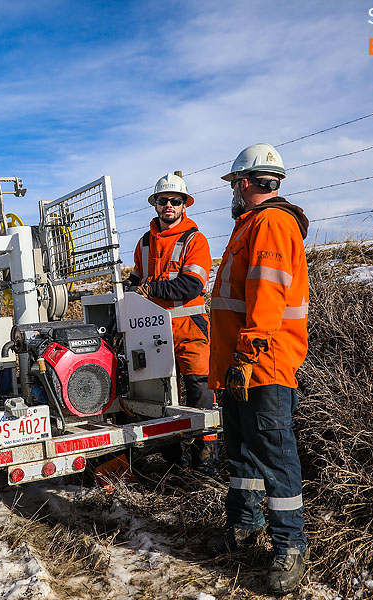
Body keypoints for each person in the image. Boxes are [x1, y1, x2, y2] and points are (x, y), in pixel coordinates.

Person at [207, 143, 310, 593]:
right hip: (243, 364)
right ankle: (245, 527)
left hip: (262, 364)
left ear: (245, 182)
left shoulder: (270, 223)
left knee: (274, 453)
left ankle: (290, 545)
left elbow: (267, 293)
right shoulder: (252, 224)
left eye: (233, 184)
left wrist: (247, 356)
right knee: (243, 450)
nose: (232, 191)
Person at [125, 173, 217, 475]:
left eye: (174, 201)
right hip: (152, 332)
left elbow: (191, 286)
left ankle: (205, 466)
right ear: (155, 205)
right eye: (163, 200)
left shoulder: (195, 240)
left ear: (184, 204)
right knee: (158, 398)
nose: (168, 205)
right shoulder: (144, 243)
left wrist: (151, 290)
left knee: (200, 396)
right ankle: (174, 466)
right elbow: (137, 280)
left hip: (190, 330)